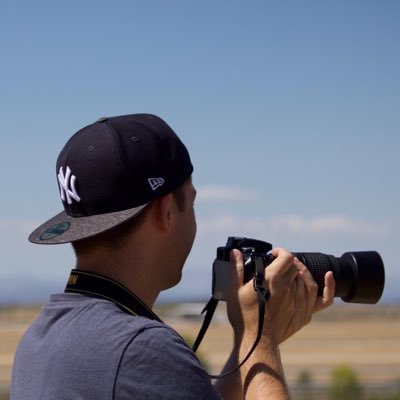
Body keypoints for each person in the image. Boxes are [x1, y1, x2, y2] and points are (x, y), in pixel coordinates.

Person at [11, 113, 335, 399]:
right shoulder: (141, 350)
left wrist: (250, 345)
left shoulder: (40, 340)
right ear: (167, 211)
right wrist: (261, 340)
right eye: (191, 203)